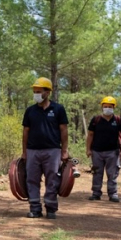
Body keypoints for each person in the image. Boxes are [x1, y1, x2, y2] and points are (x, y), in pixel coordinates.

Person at [22, 77, 69, 219]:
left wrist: (64, 150)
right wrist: (24, 152)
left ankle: (51, 209)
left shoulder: (58, 109)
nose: (36, 94)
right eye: (34, 91)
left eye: (39, 91)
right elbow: (25, 132)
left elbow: (64, 130)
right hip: (32, 151)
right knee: (32, 179)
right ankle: (35, 209)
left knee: (53, 179)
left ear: (47, 92)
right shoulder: (30, 111)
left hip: (53, 151)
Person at [86, 96, 121, 202]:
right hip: (96, 152)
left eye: (110, 106)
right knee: (96, 173)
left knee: (112, 174)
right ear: (102, 107)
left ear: (114, 107)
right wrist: (88, 149)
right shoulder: (96, 120)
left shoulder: (119, 120)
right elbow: (90, 135)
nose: (107, 108)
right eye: (105, 106)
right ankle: (96, 193)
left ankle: (113, 194)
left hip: (113, 152)